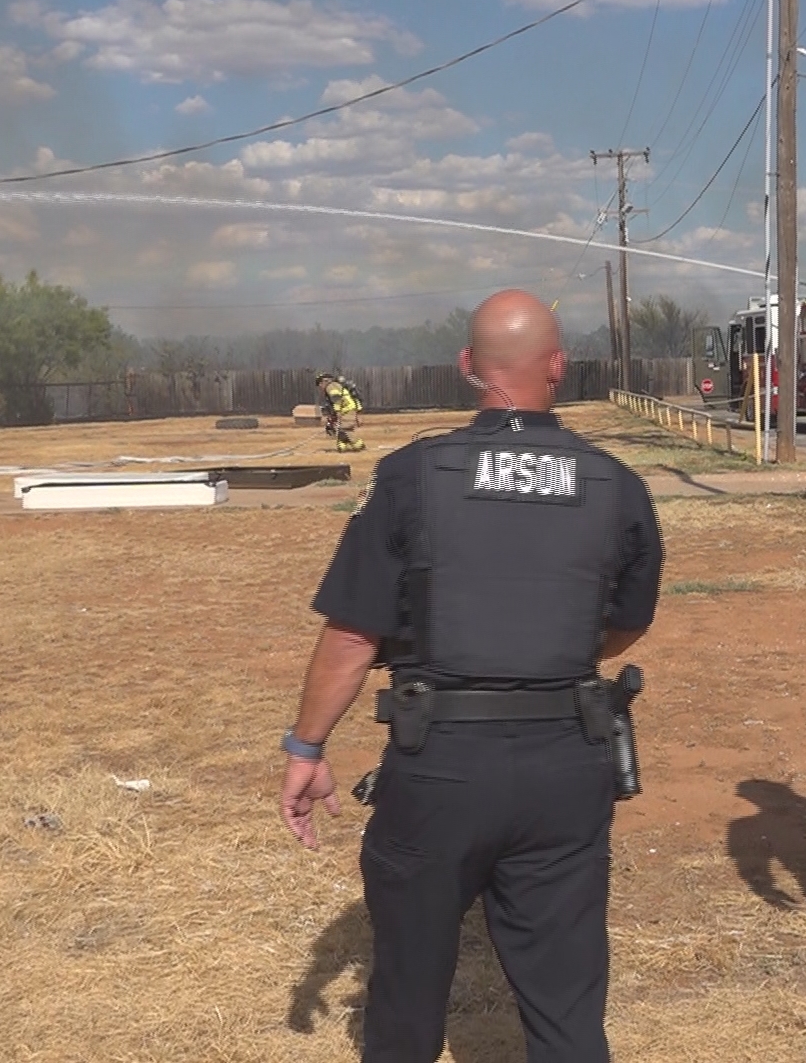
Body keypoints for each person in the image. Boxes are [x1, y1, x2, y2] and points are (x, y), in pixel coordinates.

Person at [278, 289, 665, 1063]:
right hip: (567, 757)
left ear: (466, 369)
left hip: (440, 765)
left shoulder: (410, 475)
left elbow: (355, 633)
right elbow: (628, 621)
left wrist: (307, 747)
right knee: (565, 1002)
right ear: (559, 366)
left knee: (408, 991)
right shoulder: (615, 483)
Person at [316, 373, 366, 452]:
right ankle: (342, 446)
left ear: (324, 382)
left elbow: (336, 399)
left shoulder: (331, 386)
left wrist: (338, 411)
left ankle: (358, 445)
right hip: (347, 409)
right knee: (340, 429)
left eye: (320, 384)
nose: (320, 387)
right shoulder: (335, 385)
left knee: (345, 429)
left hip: (347, 410)